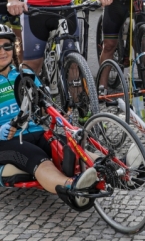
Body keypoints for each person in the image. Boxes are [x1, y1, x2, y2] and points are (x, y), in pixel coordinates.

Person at [0, 25, 99, 206]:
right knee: (36, 155)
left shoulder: (26, 74)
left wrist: (59, 115)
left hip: (35, 131)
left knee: (71, 145)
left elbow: (45, 105)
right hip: (6, 141)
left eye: (6, 46)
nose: (2, 52)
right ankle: (72, 188)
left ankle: (115, 169)